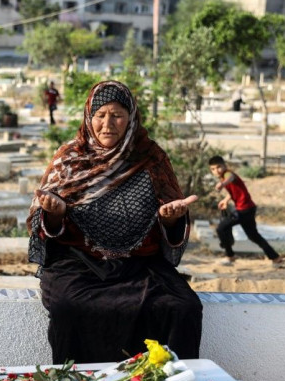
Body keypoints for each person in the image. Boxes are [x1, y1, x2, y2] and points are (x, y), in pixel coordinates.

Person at [27, 80, 203, 365]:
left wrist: (171, 220)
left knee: (182, 307)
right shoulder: (69, 158)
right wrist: (55, 213)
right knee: (68, 307)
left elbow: (172, 220)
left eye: (117, 115)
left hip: (141, 266)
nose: (108, 124)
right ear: (89, 117)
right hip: (79, 264)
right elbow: (43, 225)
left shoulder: (151, 158)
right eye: (101, 115)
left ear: (131, 119)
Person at [208, 155, 285, 267]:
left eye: (218, 167)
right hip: (248, 209)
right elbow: (233, 192)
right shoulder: (223, 177)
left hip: (243, 210)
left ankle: (230, 256)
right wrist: (225, 200)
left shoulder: (228, 174)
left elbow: (230, 178)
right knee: (254, 236)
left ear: (225, 165)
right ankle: (275, 258)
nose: (216, 170)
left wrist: (222, 184)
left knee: (221, 228)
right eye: (213, 169)